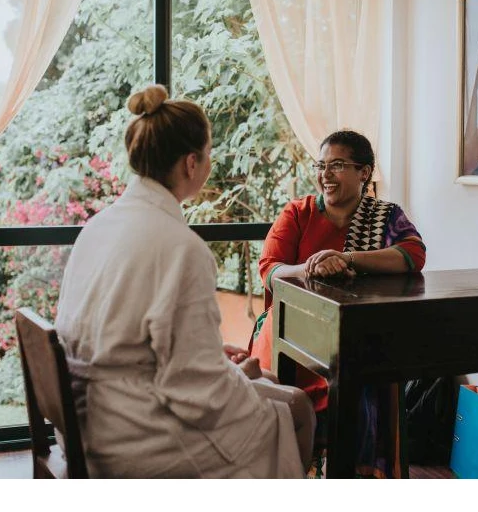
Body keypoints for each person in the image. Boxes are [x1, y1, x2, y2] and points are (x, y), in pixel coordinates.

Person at [55, 85, 315, 478]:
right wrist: (235, 377)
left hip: (86, 419)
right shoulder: (181, 248)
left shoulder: (99, 226)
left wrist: (215, 358)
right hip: (137, 433)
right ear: (191, 164)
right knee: (294, 410)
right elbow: (198, 393)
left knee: (275, 387)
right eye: (209, 155)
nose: (210, 164)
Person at [250, 129, 427, 478]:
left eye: (337, 165)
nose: (325, 175)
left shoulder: (384, 216)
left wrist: (349, 258)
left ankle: (352, 472)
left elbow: (412, 254)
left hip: (356, 331)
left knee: (369, 364)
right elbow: (270, 270)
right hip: (291, 330)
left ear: (364, 173)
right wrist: (314, 265)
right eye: (321, 165)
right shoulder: (298, 213)